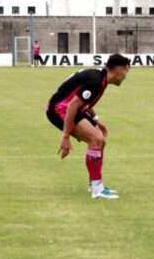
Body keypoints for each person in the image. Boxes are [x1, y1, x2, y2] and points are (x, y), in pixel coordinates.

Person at [46, 54, 131, 200]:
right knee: (95, 139)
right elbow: (73, 104)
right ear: (118, 70)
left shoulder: (100, 78)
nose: (125, 76)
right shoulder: (96, 81)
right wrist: (65, 137)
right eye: (126, 71)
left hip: (70, 108)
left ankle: (94, 183)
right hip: (59, 110)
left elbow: (83, 102)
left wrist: (97, 121)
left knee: (100, 140)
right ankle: (97, 189)